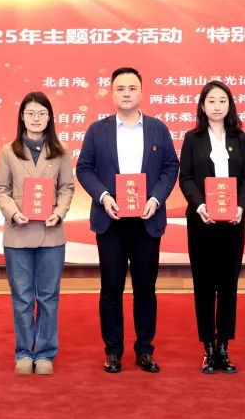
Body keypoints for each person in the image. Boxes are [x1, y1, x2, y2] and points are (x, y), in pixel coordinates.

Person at [76, 67, 179, 374]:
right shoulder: (98, 130)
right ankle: (113, 351)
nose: (126, 93)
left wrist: (155, 199)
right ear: (112, 93)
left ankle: (145, 350)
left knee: (145, 288)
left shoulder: (158, 129)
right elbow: (84, 168)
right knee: (111, 288)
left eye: (132, 88)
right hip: (111, 220)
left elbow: (170, 167)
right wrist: (103, 196)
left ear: (141, 92)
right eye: (120, 88)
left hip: (147, 219)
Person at [0, 92, 75, 375]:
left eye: (41, 113)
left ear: (49, 117)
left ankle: (45, 353)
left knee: (49, 297)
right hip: (18, 234)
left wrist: (59, 212)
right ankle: (24, 352)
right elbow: (1, 189)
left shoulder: (60, 151)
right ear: (22, 117)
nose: (36, 118)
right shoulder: (9, 151)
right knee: (23, 298)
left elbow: (67, 187)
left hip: (51, 234)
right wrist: (13, 212)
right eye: (30, 113)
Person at [178, 80, 245, 374]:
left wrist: (241, 206)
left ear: (230, 105)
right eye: (211, 101)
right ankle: (208, 348)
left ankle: (224, 346)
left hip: (233, 222)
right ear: (202, 105)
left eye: (222, 100)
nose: (217, 106)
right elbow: (186, 177)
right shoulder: (192, 138)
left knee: (228, 286)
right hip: (202, 222)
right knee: (204, 286)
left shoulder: (241, 138)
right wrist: (200, 205)